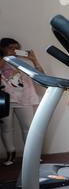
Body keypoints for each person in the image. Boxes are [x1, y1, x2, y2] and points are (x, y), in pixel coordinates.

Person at [0, 38, 42, 166]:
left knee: (29, 128)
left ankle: (32, 156)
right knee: (6, 128)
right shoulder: (2, 61)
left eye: (16, 48)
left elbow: (41, 76)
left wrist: (33, 59)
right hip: (5, 99)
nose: (14, 51)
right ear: (2, 48)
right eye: (11, 48)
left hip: (24, 99)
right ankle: (11, 156)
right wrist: (5, 58)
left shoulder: (22, 63)